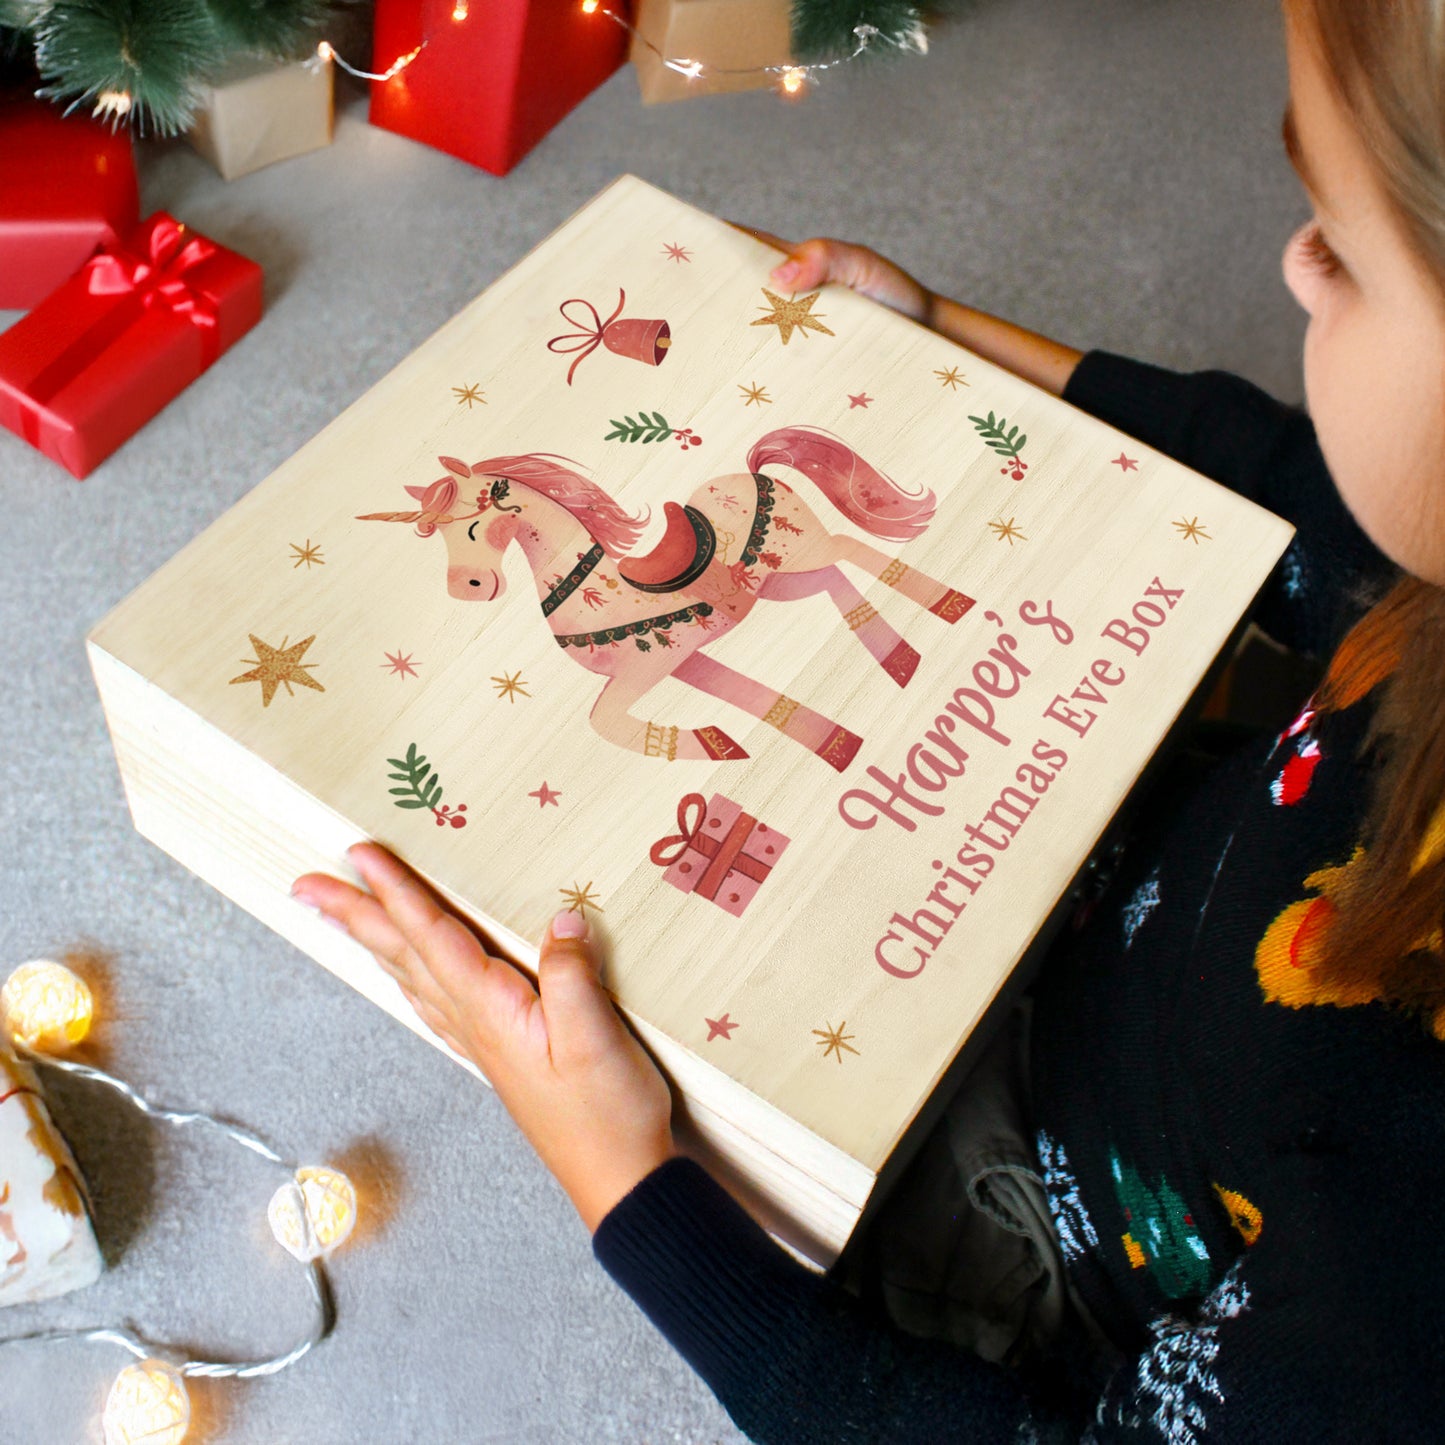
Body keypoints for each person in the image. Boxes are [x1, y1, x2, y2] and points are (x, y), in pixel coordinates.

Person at [291, 1, 1445, 1437]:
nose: (1289, 259)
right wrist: (949, 338)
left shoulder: (1404, 1297)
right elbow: (1295, 488)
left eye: (1340, 247)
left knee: (671, 1049)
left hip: (1065, 1226)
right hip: (1182, 900)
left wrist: (626, 1191)